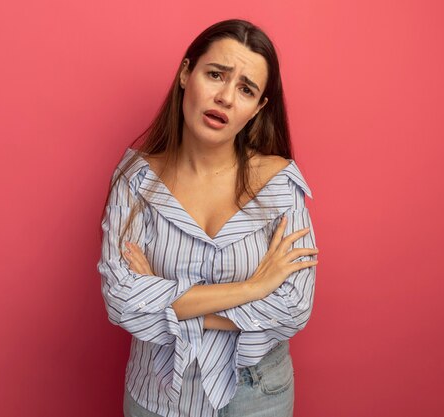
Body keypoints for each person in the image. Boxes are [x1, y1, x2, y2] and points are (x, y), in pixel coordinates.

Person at [97, 18, 318, 417]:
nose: (226, 97)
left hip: (259, 393)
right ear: (186, 73)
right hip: (159, 394)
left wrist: (169, 301)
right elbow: (123, 302)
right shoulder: (135, 182)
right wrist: (253, 287)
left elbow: (294, 307)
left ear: (258, 108)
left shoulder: (280, 185)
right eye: (216, 74)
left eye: (246, 89)